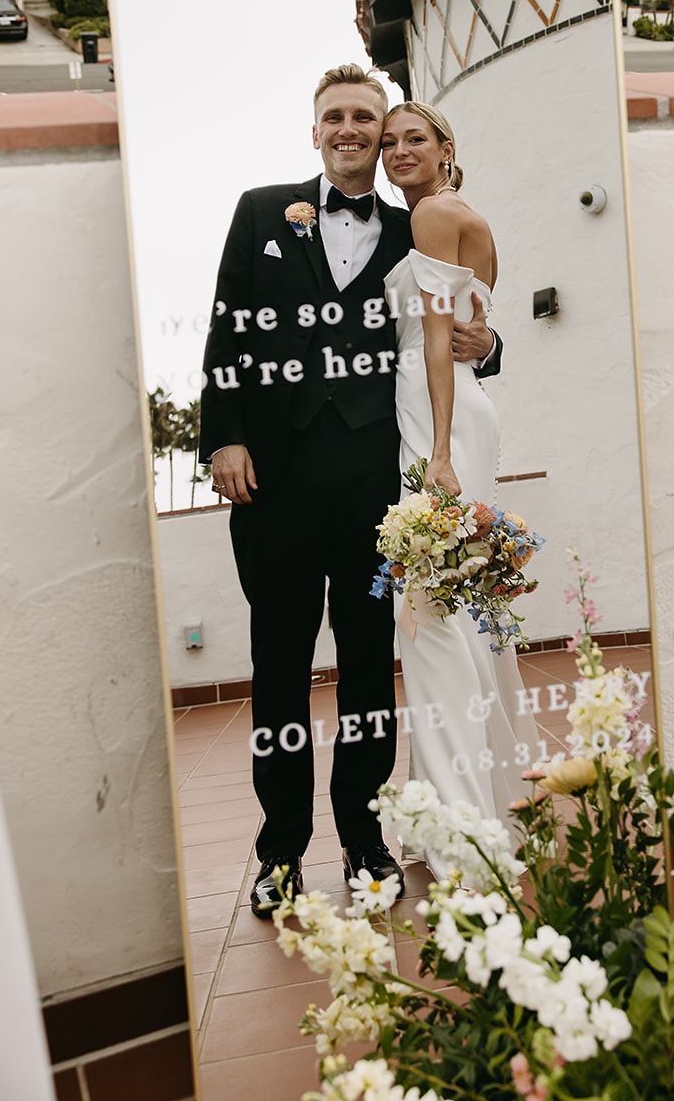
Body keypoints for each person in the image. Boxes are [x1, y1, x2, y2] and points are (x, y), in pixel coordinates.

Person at [198, 64, 499, 916]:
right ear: (316, 131)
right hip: (276, 490)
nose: (352, 129)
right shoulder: (261, 212)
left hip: (377, 495)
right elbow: (229, 325)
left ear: (382, 131)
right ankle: (280, 851)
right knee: (278, 669)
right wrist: (223, 433)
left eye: (365, 117)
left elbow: (457, 322)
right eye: (336, 117)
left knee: (370, 668)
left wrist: (492, 340)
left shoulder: (421, 226)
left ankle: (367, 842)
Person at [380, 102, 538, 868]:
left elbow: (441, 337)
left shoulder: (435, 213)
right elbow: (473, 328)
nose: (398, 150)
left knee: (434, 612)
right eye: (388, 142)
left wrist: (437, 452)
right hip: (449, 401)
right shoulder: (451, 214)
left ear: (447, 149)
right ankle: (470, 801)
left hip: (435, 412)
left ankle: (462, 832)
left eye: (415, 138)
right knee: (458, 606)